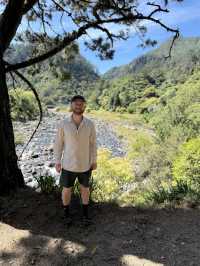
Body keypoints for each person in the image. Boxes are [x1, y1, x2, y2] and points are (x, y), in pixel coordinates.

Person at [53, 95, 97, 225]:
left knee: (85, 189)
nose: (78, 106)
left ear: (84, 106)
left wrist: (94, 160)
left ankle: (85, 214)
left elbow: (93, 144)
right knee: (66, 190)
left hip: (85, 164)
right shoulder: (63, 123)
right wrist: (57, 161)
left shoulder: (90, 124)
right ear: (71, 105)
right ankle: (66, 214)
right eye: (76, 103)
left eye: (81, 104)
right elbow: (58, 143)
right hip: (67, 164)